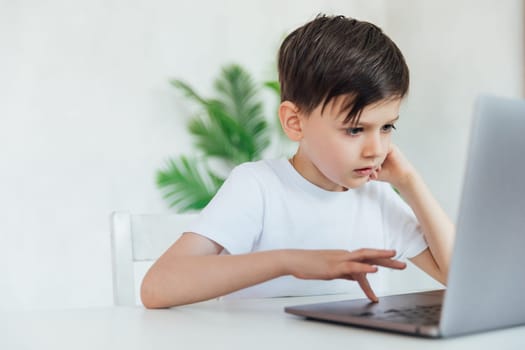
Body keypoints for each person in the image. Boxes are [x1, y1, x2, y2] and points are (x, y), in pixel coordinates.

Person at [141, 14, 454, 309]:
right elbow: (157, 287)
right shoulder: (258, 187)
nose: (376, 149)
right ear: (295, 122)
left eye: (387, 127)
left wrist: (410, 183)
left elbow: (458, 280)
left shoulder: (377, 197)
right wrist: (290, 261)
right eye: (355, 129)